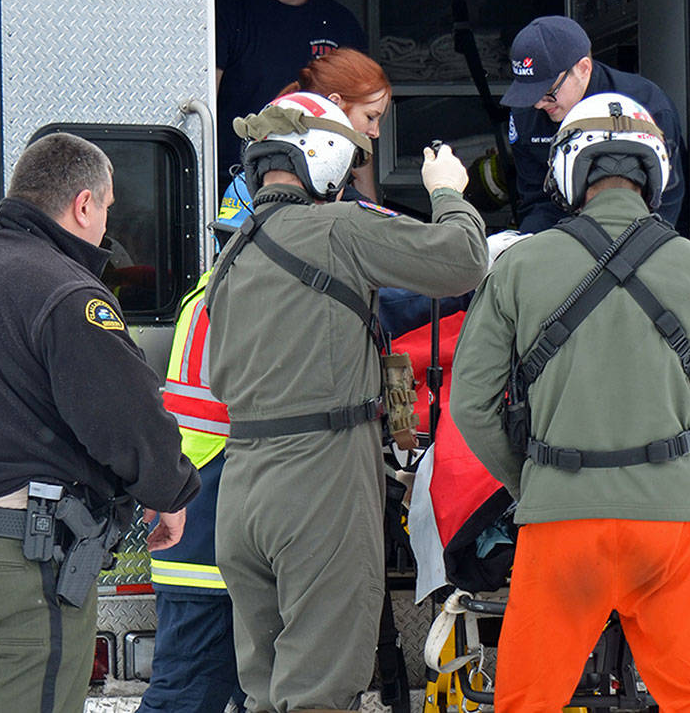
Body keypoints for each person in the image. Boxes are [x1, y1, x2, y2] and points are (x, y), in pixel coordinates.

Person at [0, 132, 201, 713]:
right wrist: (169, 492)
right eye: (107, 208)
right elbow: (123, 414)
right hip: (18, 567)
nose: (107, 225)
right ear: (83, 204)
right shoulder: (66, 292)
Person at [449, 92, 690, 713]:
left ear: (568, 173)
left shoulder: (519, 266)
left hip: (558, 522)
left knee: (527, 702)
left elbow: (471, 406)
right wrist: (680, 479)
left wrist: (531, 480)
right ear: (655, 175)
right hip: (670, 525)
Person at [205, 92, 488, 712]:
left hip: (242, 484)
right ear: (327, 159)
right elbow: (464, 261)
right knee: (320, 691)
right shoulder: (341, 227)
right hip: (318, 481)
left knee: (265, 688)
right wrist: (447, 193)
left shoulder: (231, 253)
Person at [138, 269, 246, 713]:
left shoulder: (212, 289)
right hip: (209, 532)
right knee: (187, 693)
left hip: (196, 520)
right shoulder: (245, 290)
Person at [500, 15, 685, 232]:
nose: (539, 104)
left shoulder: (646, 108)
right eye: (530, 93)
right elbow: (536, 200)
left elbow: (666, 202)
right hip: (562, 236)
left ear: (583, 68)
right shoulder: (525, 114)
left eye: (548, 91)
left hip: (639, 232)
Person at [215, 0, 367, 191]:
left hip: (326, 188)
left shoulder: (340, 23)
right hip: (240, 183)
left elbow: (358, 126)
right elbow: (203, 105)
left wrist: (372, 207)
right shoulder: (226, 10)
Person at [276, 47, 391, 202]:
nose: (375, 133)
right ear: (334, 104)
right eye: (370, 117)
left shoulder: (263, 169)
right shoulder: (312, 191)